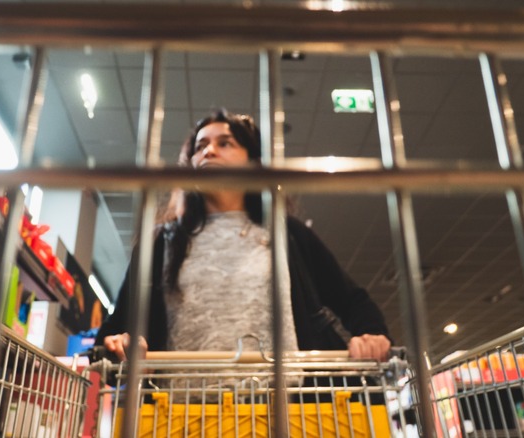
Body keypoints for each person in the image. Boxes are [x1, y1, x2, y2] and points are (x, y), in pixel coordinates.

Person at [95, 109, 391, 362]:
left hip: (288, 408)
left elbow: (354, 301)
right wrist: (120, 343)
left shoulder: (286, 234)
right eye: (200, 147)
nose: (209, 151)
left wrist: (371, 336)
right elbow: (114, 330)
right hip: (183, 411)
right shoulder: (163, 243)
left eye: (225, 143)